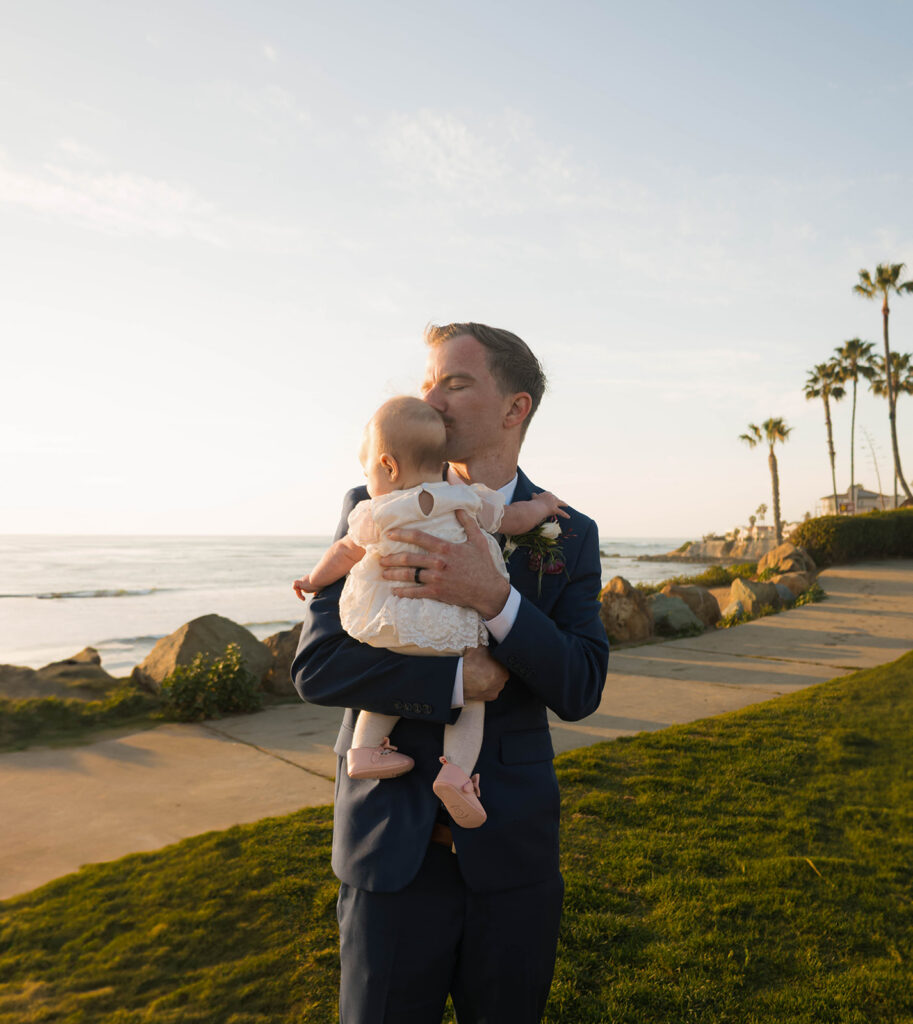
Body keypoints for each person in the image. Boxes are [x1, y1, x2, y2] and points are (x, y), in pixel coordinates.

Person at [292, 322, 609, 1024]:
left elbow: (582, 686)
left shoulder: (566, 531)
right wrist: (452, 684)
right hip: (388, 855)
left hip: (511, 856)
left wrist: (492, 596)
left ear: (514, 407)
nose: (431, 398)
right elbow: (317, 667)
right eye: (428, 380)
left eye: (456, 383)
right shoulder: (372, 507)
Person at [292, 395, 568, 828]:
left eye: (457, 385)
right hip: (449, 629)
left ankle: (364, 750)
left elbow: (344, 552)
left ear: (389, 465)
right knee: (472, 702)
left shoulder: (376, 510)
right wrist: (545, 506)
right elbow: (515, 519)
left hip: (390, 621)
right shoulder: (464, 500)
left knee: (396, 663)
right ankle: (456, 774)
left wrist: (311, 580)